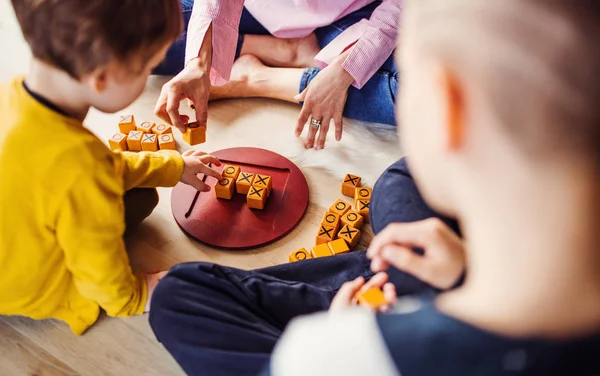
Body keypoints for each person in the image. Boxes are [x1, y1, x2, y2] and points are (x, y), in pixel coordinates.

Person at [150, 0, 600, 374]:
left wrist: (343, 336)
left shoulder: (330, 356)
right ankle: (418, 280)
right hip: (453, 272)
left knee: (178, 295)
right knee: (396, 185)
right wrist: (463, 273)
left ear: (447, 112)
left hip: (372, 336)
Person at [0, 0, 222, 336]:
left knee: (132, 191)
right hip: (20, 284)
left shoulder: (12, 95)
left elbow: (103, 168)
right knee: (139, 200)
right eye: (147, 67)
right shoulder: (77, 164)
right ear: (103, 78)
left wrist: (174, 167)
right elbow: (97, 257)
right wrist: (132, 296)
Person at [153, 0, 403, 150]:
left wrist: (344, 69)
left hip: (354, 15)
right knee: (130, 31)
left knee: (417, 96)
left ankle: (256, 79)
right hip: (256, 9)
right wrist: (198, 64)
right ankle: (284, 50)